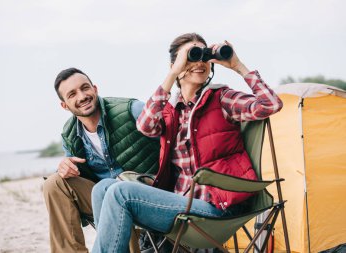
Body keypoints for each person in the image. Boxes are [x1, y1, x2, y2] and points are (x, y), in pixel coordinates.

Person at [90, 33, 283, 253]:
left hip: (216, 208)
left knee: (120, 193)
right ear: (176, 65)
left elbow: (271, 104)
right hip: (179, 202)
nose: (199, 62)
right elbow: (145, 126)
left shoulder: (221, 98)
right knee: (102, 188)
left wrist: (238, 66)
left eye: (203, 56)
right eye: (191, 56)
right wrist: (172, 74)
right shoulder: (170, 109)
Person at [42, 67, 159, 253]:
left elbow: (174, 144)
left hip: (148, 194)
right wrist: (64, 167)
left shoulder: (131, 110)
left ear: (95, 89)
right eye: (72, 94)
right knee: (53, 184)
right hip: (102, 198)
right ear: (64, 105)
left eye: (85, 88)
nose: (82, 96)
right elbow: (73, 172)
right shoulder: (69, 135)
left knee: (113, 191)